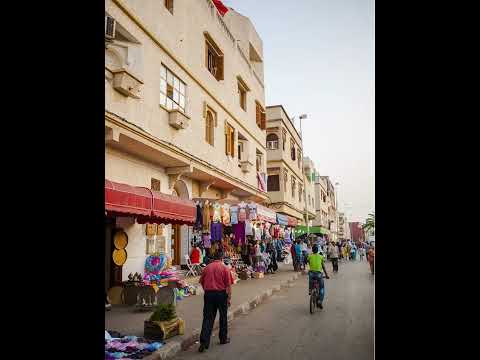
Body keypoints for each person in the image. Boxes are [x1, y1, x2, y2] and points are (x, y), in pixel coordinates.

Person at [198, 250, 233, 352]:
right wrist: (229, 298)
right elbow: (228, 286)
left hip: (209, 294)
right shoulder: (225, 268)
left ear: (213, 258)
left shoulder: (207, 268)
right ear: (222, 258)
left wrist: (207, 290)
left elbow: (201, 282)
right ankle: (223, 338)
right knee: (223, 317)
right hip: (221, 294)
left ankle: (204, 342)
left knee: (208, 318)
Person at [307, 245, 330, 309]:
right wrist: (327, 275)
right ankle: (320, 301)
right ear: (318, 251)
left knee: (310, 278)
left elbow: (309, 262)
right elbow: (323, 267)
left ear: (312, 250)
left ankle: (310, 290)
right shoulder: (320, 257)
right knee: (322, 288)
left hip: (311, 273)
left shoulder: (309, 256)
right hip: (319, 274)